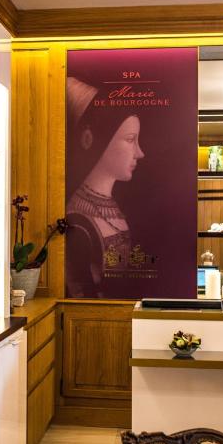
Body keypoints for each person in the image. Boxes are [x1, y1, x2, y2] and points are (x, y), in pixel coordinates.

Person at [66, 77, 146, 298]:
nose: (139, 153)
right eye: (130, 139)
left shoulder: (113, 206)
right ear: (91, 138)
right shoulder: (78, 218)